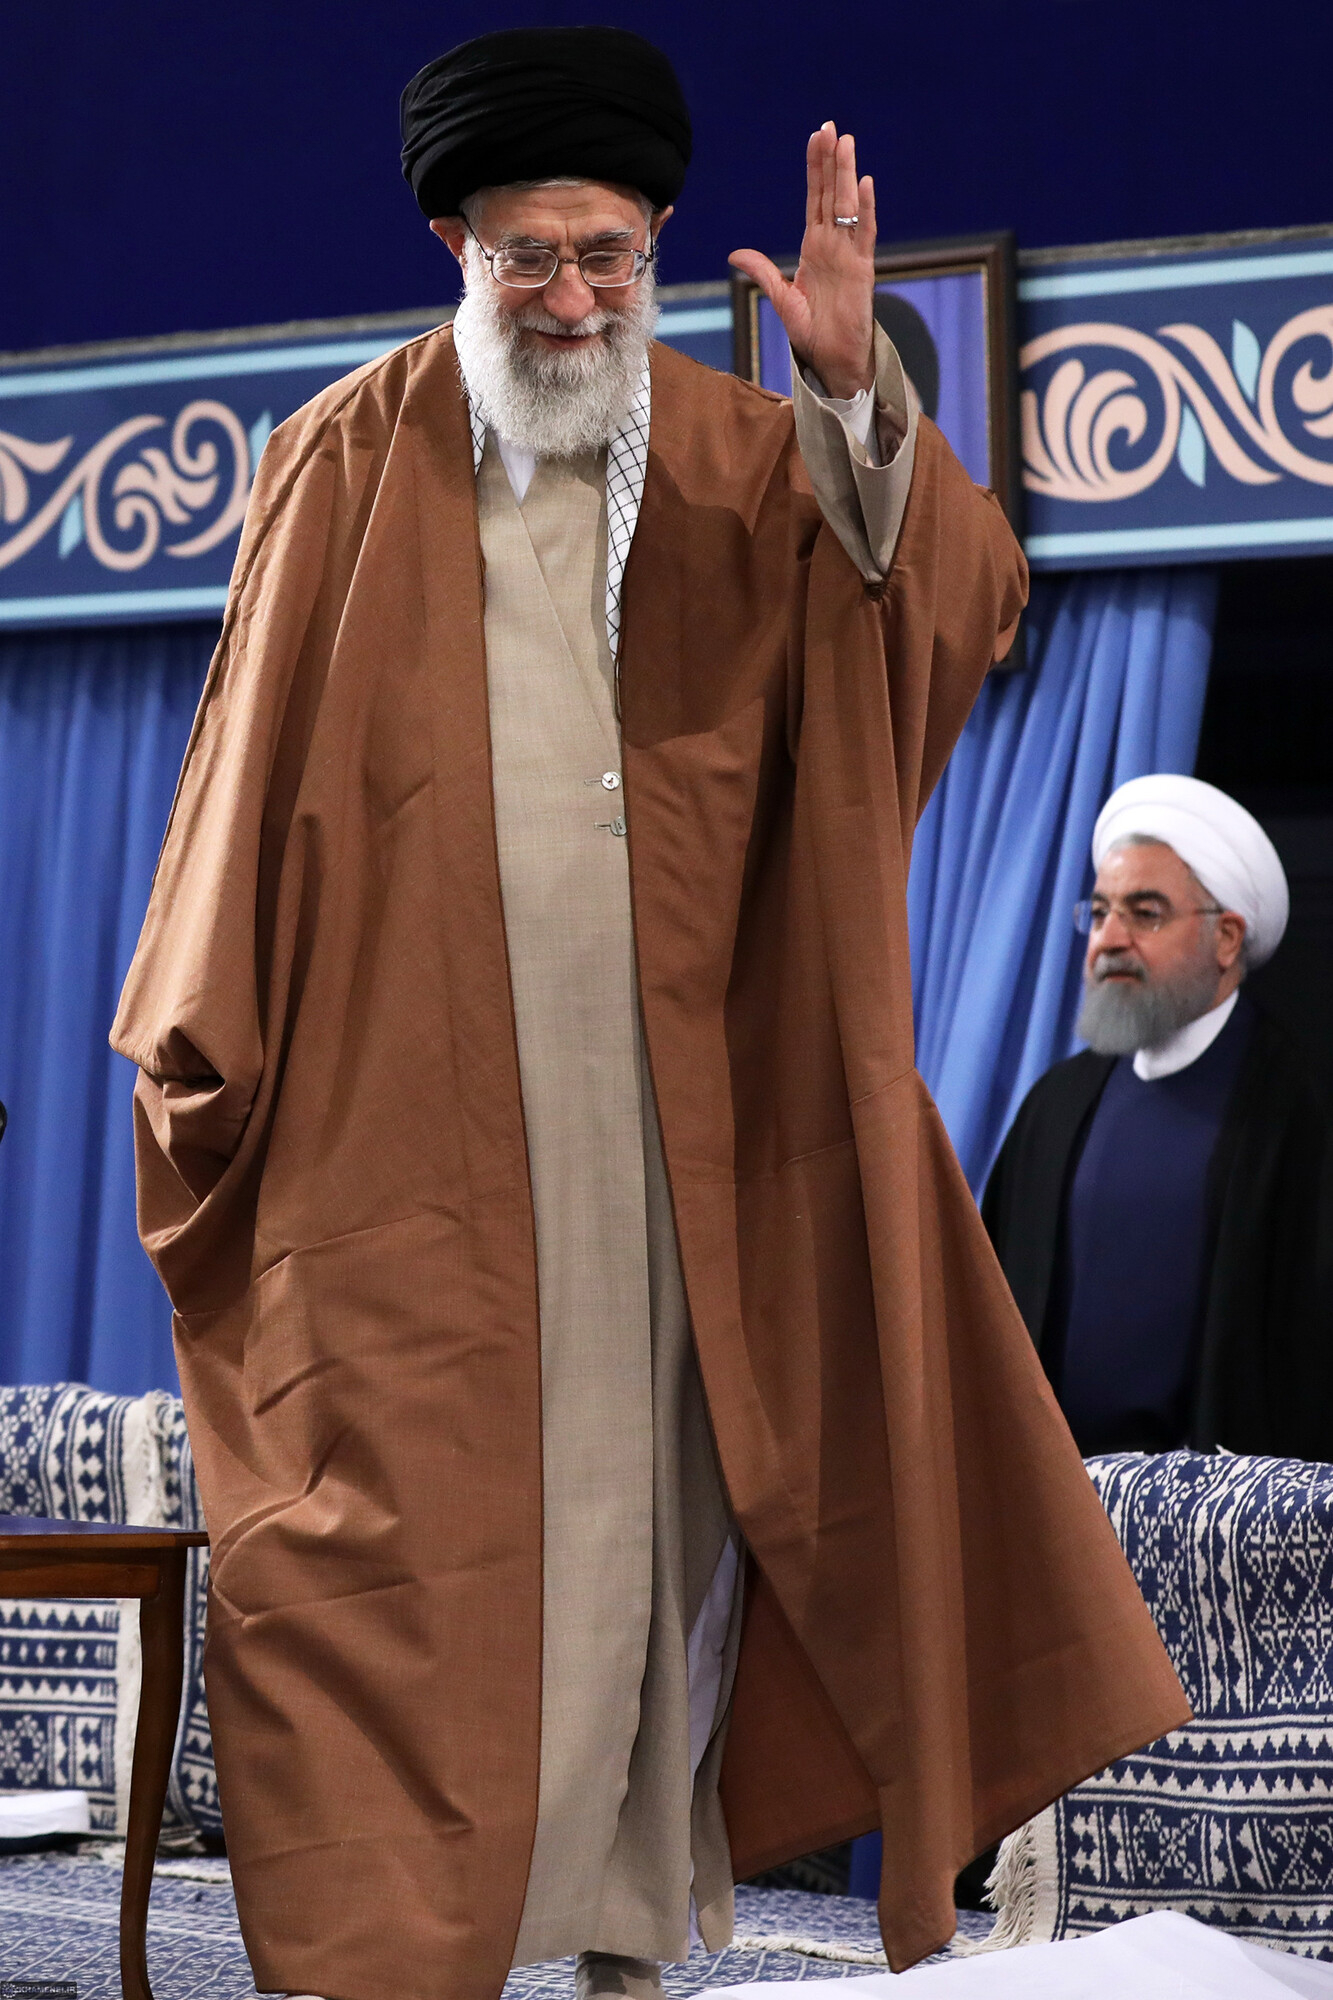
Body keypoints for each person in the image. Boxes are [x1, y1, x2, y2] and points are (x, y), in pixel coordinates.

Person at [111, 28, 1185, 2000]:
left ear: (659, 243)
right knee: (388, 1578)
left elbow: (950, 608)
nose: (572, 298)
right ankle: (397, 1956)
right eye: (529, 254)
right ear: (453, 245)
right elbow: (238, 798)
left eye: (607, 254)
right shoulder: (340, 460)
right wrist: (205, 1072)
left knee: (658, 1541)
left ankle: (624, 1932)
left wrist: (854, 395)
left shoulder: (738, 449)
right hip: (408, 1133)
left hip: (683, 1133)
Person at [985, 773, 1331, 1461]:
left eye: (1144, 914)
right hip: (1054, 1497)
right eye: (1099, 913)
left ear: (1226, 938)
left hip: (1219, 1511)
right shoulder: (1055, 1107)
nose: (1109, 939)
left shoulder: (1299, 1114)